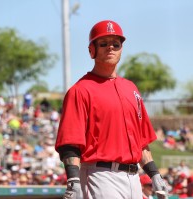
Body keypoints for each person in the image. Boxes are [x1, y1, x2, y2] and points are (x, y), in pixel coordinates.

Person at [55, 20, 168, 199]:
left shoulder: (131, 89)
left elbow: (141, 142)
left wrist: (154, 174)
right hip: (100, 176)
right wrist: (73, 180)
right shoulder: (80, 90)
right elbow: (70, 144)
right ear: (92, 49)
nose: (110, 48)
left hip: (133, 178)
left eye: (116, 44)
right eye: (103, 43)